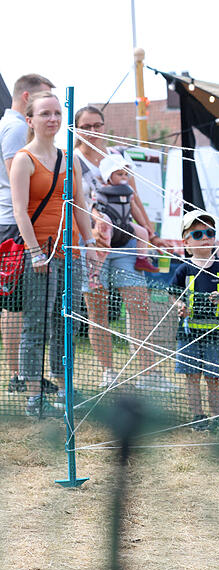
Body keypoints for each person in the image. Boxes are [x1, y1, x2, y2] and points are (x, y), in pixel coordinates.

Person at [9, 91, 94, 417]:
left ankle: (63, 389)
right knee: (37, 326)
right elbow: (20, 211)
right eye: (45, 113)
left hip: (68, 255)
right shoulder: (23, 159)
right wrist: (34, 253)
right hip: (40, 257)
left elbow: (80, 206)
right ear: (30, 120)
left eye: (57, 113)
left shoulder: (68, 158)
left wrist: (88, 246)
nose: (53, 119)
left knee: (65, 325)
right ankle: (34, 396)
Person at [75, 105, 170, 391]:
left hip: (126, 240)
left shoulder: (116, 156)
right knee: (98, 311)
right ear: (77, 129)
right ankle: (109, 373)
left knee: (139, 304)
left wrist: (151, 234)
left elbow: (134, 197)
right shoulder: (72, 159)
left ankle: (148, 374)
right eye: (87, 126)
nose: (94, 131)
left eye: (98, 125)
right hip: (93, 246)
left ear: (105, 127)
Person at [0, 73, 54, 394]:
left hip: (12, 221)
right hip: (14, 223)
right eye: (42, 99)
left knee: (16, 303)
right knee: (15, 304)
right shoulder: (17, 128)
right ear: (25, 99)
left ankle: (23, 373)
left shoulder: (13, 125)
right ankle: (20, 375)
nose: (47, 109)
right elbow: (17, 176)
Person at [170, 210, 219, 434]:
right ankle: (197, 418)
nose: (205, 238)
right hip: (188, 334)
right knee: (192, 377)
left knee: (214, 379)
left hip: (216, 334)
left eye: (209, 233)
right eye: (198, 234)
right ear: (186, 242)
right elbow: (172, 293)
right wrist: (179, 306)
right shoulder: (184, 268)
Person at [87, 155, 160, 290]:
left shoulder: (128, 192)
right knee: (105, 236)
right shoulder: (102, 191)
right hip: (109, 222)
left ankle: (142, 259)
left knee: (142, 233)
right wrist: (98, 219)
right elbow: (94, 208)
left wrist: (145, 225)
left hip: (124, 223)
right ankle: (95, 273)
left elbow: (134, 208)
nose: (124, 178)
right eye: (119, 174)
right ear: (108, 175)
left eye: (126, 174)